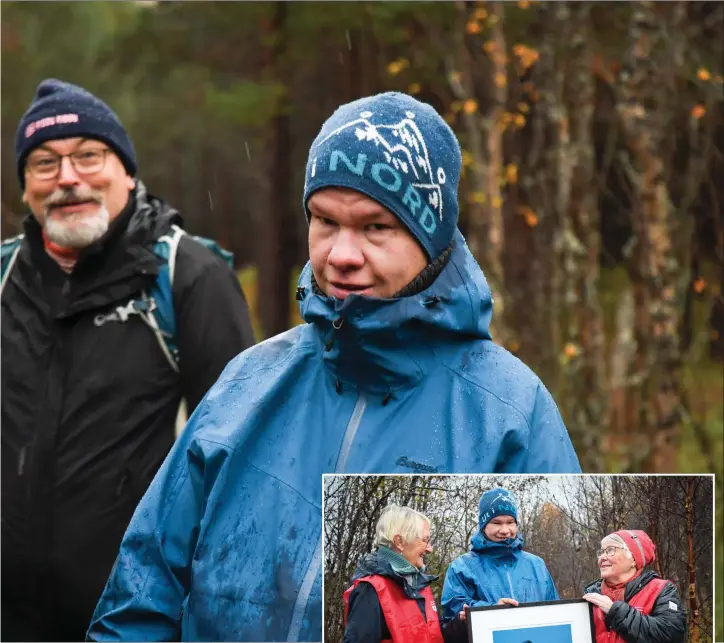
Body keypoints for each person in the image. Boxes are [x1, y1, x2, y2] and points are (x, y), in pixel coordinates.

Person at [87, 91, 580, 642]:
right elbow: (141, 597)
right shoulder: (247, 385)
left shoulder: (511, 413)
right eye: (324, 220)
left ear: (431, 239)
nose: (341, 254)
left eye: (376, 227)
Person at [1, 78, 255, 642]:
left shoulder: (187, 276)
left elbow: (240, 463)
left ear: (128, 173)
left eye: (89, 156)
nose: (68, 178)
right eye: (44, 164)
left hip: (134, 619)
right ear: (25, 189)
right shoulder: (4, 281)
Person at [342, 504, 466, 643]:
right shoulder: (371, 590)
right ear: (399, 542)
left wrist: (460, 625)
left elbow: (430, 636)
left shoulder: (419, 586)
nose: (430, 549)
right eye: (425, 540)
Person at [441, 488, 558, 621]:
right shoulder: (462, 567)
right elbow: (452, 613)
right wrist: (492, 610)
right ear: (483, 525)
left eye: (510, 522)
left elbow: (556, 612)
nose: (505, 530)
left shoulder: (537, 565)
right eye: (496, 523)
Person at [582, 530, 687, 643]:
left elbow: (671, 636)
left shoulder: (661, 589)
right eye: (601, 552)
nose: (602, 557)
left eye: (610, 550)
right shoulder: (590, 596)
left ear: (633, 558)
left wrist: (615, 611)